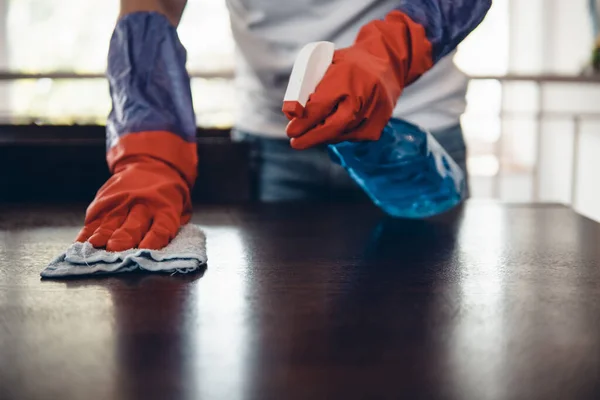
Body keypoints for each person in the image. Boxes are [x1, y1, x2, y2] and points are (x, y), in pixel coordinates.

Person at [76, 0, 492, 252]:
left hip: (412, 139)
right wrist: (150, 152)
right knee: (284, 351)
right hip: (275, 146)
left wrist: (391, 51)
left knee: (425, 336)